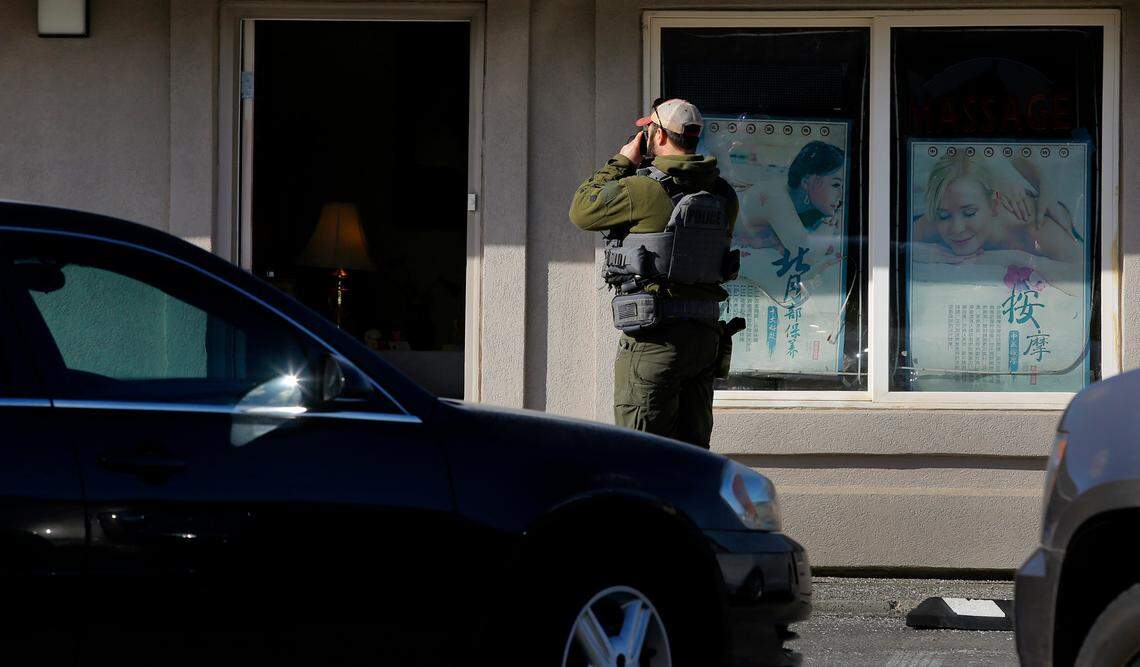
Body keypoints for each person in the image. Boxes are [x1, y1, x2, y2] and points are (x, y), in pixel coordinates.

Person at [568, 98, 738, 449]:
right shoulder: (723, 194)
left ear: (658, 134)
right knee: (692, 457)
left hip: (655, 341)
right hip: (704, 341)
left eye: (648, 130)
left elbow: (582, 210)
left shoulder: (644, 189)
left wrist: (622, 161)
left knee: (643, 462)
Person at [913, 153, 1082, 265]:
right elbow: (894, 245)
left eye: (969, 213)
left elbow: (1086, 276)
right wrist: (934, 255)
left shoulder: (1035, 233)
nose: (956, 228)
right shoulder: (936, 219)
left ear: (993, 206)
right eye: (944, 216)